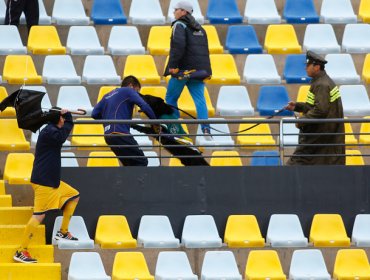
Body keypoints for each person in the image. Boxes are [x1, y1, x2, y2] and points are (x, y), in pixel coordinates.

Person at [14, 107, 80, 263]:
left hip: (51, 180)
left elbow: (62, 131)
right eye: (62, 118)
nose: (63, 121)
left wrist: (65, 115)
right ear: (58, 119)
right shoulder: (51, 132)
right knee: (39, 215)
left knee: (73, 195)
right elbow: (64, 135)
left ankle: (63, 231)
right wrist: (69, 117)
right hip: (44, 182)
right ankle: (21, 250)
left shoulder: (50, 129)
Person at [285, 51, 345, 165]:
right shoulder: (322, 81)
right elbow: (313, 106)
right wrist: (296, 106)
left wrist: (303, 120)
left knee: (294, 165)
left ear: (317, 67)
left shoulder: (322, 84)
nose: (305, 68)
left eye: (308, 65)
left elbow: (321, 110)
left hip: (318, 136)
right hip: (322, 136)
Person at [164, 0, 212, 139]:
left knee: (171, 98)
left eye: (176, 9)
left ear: (183, 12)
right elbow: (204, 53)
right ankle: (206, 130)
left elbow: (177, 48)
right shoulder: (200, 28)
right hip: (197, 72)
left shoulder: (179, 25)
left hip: (182, 71)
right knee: (200, 100)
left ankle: (175, 129)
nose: (174, 12)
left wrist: (172, 66)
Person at [92, 75, 157, 166]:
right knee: (142, 162)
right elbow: (145, 106)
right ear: (131, 86)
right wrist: (156, 123)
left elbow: (94, 114)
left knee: (129, 165)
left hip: (108, 136)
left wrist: (107, 121)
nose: (137, 94)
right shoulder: (128, 91)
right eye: (137, 91)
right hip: (120, 133)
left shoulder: (107, 95)